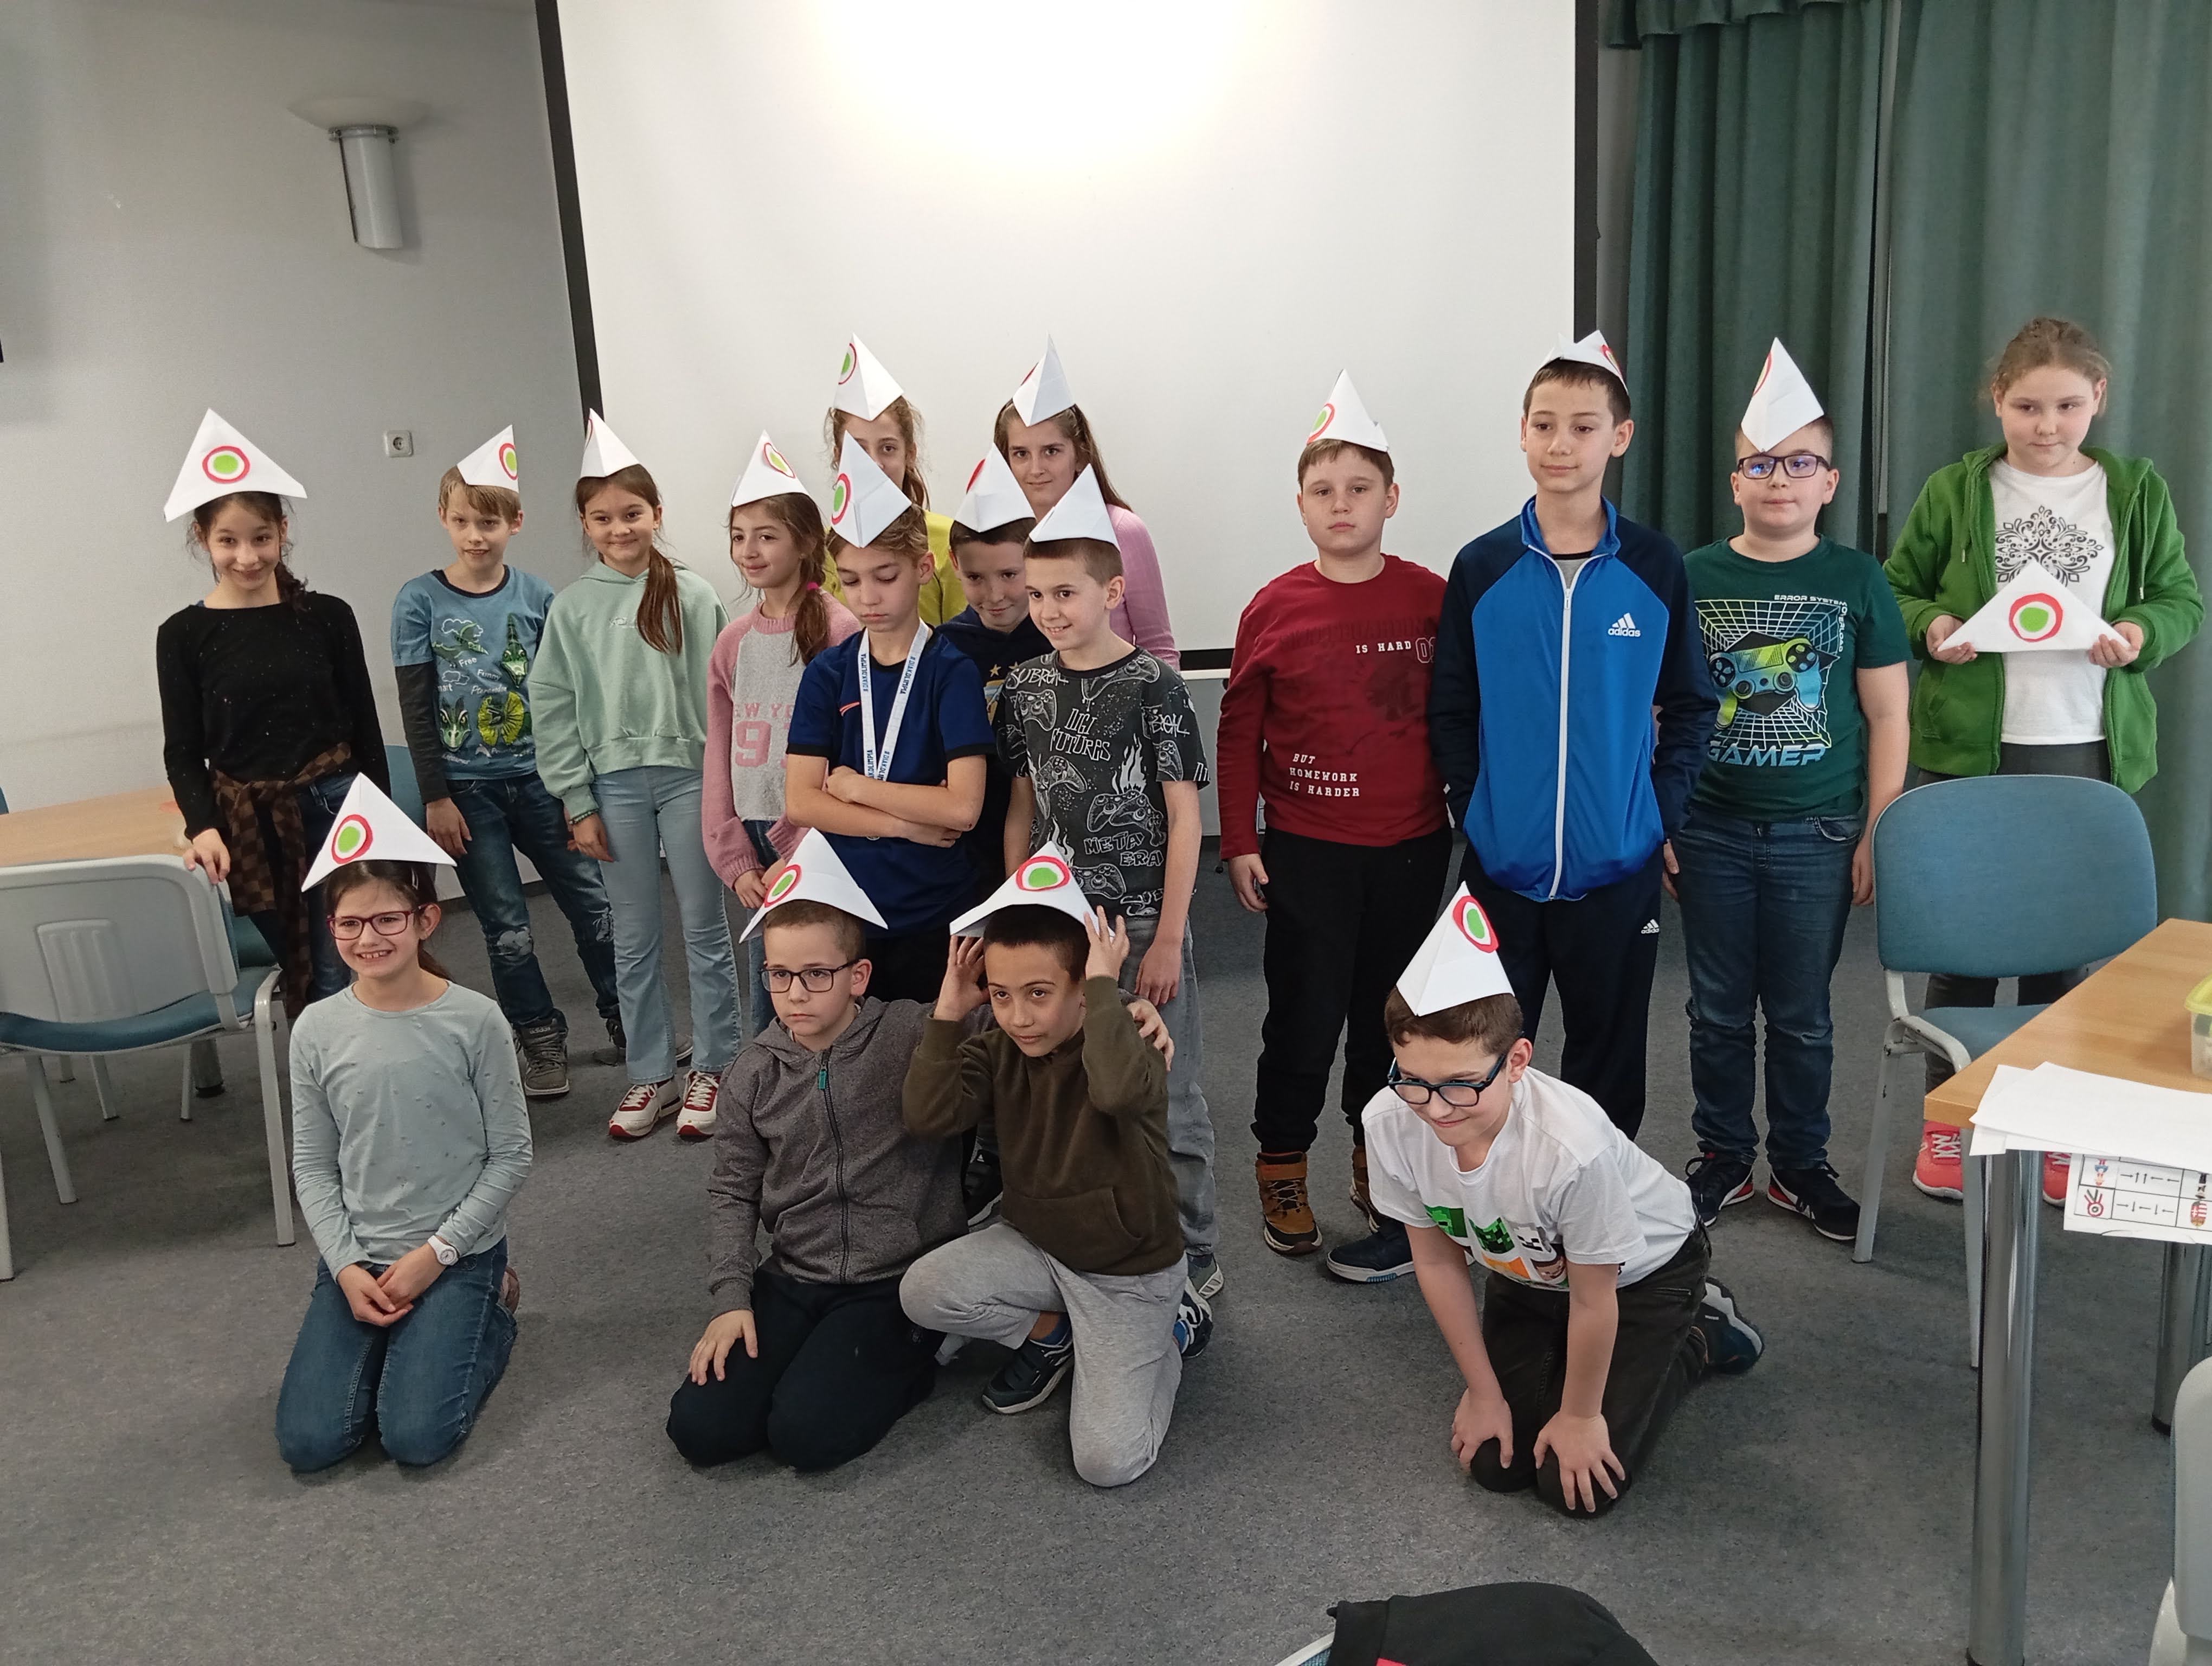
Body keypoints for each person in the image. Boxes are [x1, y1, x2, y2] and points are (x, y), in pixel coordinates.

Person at [1886, 317, 2202, 1205]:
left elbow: (2180, 598)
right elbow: (1897, 588)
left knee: (2060, 954)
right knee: (1963, 950)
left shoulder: (2134, 490)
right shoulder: (1957, 489)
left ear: (2097, 398)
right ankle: (1951, 1119)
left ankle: (2047, 1119)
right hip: (1970, 752)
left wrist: (2138, 632)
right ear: (1998, 400)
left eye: (2066, 405)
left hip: (2085, 744)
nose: (2047, 425)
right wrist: (1933, 626)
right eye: (2027, 406)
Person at [1366, 889, 1763, 1518]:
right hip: (1527, 1271)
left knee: (1576, 1489)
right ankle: (1571, 1362)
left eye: (1462, 1085)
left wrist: (1580, 1417)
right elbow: (1437, 1262)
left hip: (1641, 1276)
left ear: (1517, 1061)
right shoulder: (1389, 1122)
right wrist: (1483, 1392)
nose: (1436, 1110)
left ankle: (1698, 1333)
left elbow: (1594, 1297)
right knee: (1497, 1466)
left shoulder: (1570, 1147)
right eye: (1412, 1080)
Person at [1427, 332, 1718, 1142]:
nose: (1562, 444)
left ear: (1619, 438)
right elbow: (1451, 705)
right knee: (1482, 1062)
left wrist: (1655, 815)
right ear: (1522, 433)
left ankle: (1598, 1210)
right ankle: (1495, 1210)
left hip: (1616, 872)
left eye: (1583, 427)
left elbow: (1692, 705)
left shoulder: (1654, 565)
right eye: (1545, 425)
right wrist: (1473, 809)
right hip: (1502, 870)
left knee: (1608, 1066)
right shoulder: (1482, 566)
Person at [1215, 374, 1451, 1280]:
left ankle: (1374, 1157)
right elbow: (1238, 731)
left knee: (1387, 1018)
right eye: (1323, 490)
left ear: (1392, 498)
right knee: (1305, 1018)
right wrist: (1241, 839)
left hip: (1412, 849)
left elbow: (1460, 716)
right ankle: (1281, 1163)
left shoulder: (1432, 598)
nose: (1341, 504)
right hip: (1308, 851)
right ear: (1301, 505)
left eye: (1360, 488)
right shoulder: (1274, 607)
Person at [1673, 343, 1909, 1244]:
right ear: (1736, 480)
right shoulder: (1691, 577)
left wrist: (1878, 827)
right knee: (1717, 1008)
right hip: (1711, 828)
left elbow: (1888, 714)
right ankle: (1724, 1154)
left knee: (1804, 1014)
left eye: (1801, 464)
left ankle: (1802, 1164)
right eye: (1763, 464)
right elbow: (1660, 712)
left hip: (1820, 831)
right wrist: (1662, 818)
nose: (1781, 479)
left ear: (1830, 482)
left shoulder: (1857, 579)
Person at [998, 467, 1220, 1298]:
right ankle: (1098, 1236)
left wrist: (1168, 937)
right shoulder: (1025, 688)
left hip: (1142, 921)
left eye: (1067, 592)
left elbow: (1186, 819)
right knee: (1076, 1081)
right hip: (1058, 923)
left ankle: (1195, 1253)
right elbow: (1021, 810)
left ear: (1113, 591)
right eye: (1037, 594)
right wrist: (1015, 917)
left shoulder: (1156, 686)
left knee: (1170, 1089)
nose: (1049, 610)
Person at [900, 904, 1212, 1489]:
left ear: (1083, 989)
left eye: (1039, 994)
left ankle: (1174, 1329)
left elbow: (1116, 1093)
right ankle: (1055, 1332)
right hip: (1038, 1248)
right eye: (1001, 994)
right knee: (923, 1291)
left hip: (1127, 1274)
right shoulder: (998, 1049)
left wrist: (1108, 990)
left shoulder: (1134, 1040)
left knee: (1108, 1462)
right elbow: (928, 1115)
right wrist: (948, 1012)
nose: (1019, 1017)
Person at [275, 824, 530, 1473]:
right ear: (331, 927)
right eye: (350, 924)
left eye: (387, 919)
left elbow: (511, 1155)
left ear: (426, 921)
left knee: (415, 1437)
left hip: (456, 1253)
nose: (368, 938)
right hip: (360, 1253)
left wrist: (437, 1255)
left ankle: (493, 1310)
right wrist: (344, 1266)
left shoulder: (475, 1020)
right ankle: (413, 1342)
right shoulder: (316, 1028)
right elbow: (313, 1165)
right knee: (311, 1442)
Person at [390, 428, 622, 1095]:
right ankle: (540, 1038)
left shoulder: (538, 596)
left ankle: (628, 1019)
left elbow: (567, 697)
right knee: (507, 929)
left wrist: (578, 791)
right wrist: (436, 797)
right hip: (468, 794)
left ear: (515, 523)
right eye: (463, 521)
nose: (475, 536)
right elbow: (417, 706)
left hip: (545, 782)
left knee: (594, 909)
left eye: (489, 523)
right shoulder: (419, 601)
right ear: (444, 518)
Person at [529, 415, 740, 1142]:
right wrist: (575, 798)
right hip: (612, 790)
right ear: (585, 525)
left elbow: (724, 697)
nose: (619, 529)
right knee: (634, 937)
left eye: (632, 513)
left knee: (706, 928)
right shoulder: (573, 606)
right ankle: (651, 1073)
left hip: (691, 781)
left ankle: (716, 1064)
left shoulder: (693, 594)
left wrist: (726, 792)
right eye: (602, 518)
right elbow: (552, 703)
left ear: (657, 514)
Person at [156, 409, 388, 1018]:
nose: (247, 557)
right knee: (302, 967)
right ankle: (328, 1071)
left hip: (336, 806)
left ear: (283, 531)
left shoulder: (328, 616)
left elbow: (364, 724)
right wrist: (204, 826)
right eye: (228, 541)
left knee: (344, 961)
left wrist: (386, 824)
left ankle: (352, 1075)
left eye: (261, 538)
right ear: (202, 539)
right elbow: (182, 750)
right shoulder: (182, 635)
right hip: (249, 824)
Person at [782, 437, 993, 1003]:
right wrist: (906, 824)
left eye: (885, 576)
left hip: (937, 905)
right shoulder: (828, 673)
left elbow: (962, 808)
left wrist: (856, 788)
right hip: (849, 908)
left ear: (924, 568)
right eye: (851, 580)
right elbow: (801, 802)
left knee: (941, 1047)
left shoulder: (952, 670)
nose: (867, 597)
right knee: (857, 1048)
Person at [703, 433, 861, 1037]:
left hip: (818, 834)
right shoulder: (734, 641)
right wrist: (734, 858)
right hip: (755, 834)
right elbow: (721, 753)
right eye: (739, 536)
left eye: (767, 536)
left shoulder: (840, 630)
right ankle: (770, 1089)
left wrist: (805, 844)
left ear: (806, 542)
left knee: (821, 978)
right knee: (771, 985)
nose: (749, 550)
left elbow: (851, 750)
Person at [937, 447, 1051, 1227]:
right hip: (970, 846)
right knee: (984, 992)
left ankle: (1040, 1141)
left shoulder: (1057, 632)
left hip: (1046, 841)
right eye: (977, 577)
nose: (997, 593)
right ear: (955, 569)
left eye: (1011, 574)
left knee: (1043, 985)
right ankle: (986, 1141)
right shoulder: (945, 647)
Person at [993, 337, 1179, 664]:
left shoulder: (1123, 530)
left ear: (1079, 455)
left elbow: (1158, 645)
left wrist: (1159, 695)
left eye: (1051, 451)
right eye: (1021, 454)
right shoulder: (997, 537)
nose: (1035, 469)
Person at [817, 335, 963, 624]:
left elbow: (969, 635)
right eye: (858, 450)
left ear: (910, 455)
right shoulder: (822, 548)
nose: (873, 464)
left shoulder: (949, 539)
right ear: (838, 457)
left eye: (887, 448)